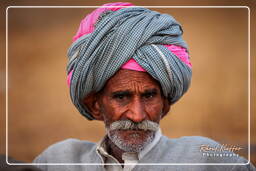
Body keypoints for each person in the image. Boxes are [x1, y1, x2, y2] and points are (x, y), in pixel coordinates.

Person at [33, 2, 255, 171]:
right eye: (121, 97)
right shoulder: (59, 160)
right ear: (95, 106)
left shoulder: (207, 158)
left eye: (149, 96)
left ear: (165, 104)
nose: (138, 116)